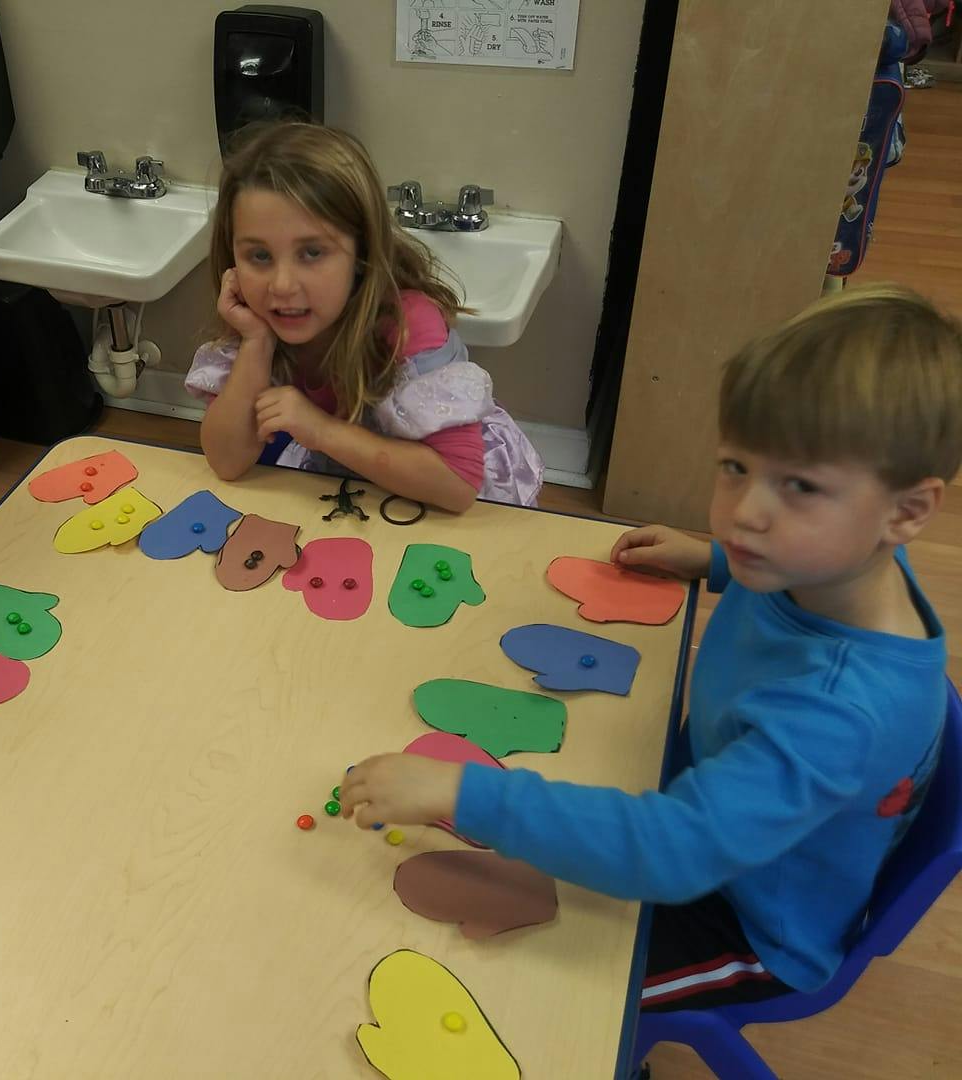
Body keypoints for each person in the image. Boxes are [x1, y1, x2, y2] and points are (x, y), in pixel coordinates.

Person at [341, 285, 960, 1009]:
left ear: (907, 510)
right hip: (715, 804)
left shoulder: (839, 715)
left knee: (532, 1008)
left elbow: (672, 852)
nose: (744, 515)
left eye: (798, 487)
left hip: (741, 922)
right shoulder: (843, 561)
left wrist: (460, 792)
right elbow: (788, 569)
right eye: (736, 467)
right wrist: (714, 563)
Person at [186, 121, 543, 512]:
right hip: (360, 486)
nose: (282, 285)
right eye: (259, 256)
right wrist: (256, 343)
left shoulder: (407, 324)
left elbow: (457, 486)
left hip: (445, 492)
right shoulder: (256, 320)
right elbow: (226, 461)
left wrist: (321, 431)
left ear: (361, 254)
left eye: (312, 253)